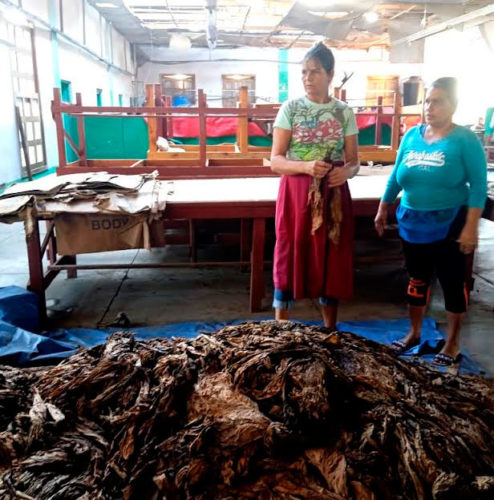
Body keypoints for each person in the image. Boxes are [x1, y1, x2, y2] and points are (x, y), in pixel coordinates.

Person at [374, 77, 487, 365]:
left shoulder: (464, 139)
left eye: (437, 101)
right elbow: (396, 175)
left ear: (453, 106)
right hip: (412, 221)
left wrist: (471, 226)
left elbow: (477, 185)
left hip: (450, 222)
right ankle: (413, 333)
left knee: (452, 282)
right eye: (427, 100)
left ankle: (451, 343)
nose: (429, 107)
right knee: (416, 280)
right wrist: (383, 207)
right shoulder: (412, 135)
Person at [270, 42, 360, 328]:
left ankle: (329, 330)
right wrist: (305, 167)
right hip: (296, 194)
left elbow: (355, 161)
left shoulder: (344, 112)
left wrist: (346, 173)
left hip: (332, 193)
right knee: (289, 249)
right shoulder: (291, 109)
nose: (308, 79)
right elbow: (276, 160)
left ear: (330, 74)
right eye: (304, 73)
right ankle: (281, 329)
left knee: (330, 254)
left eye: (315, 72)